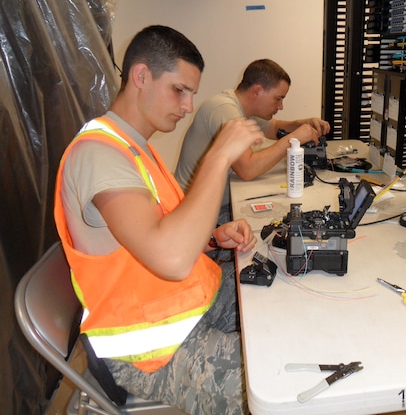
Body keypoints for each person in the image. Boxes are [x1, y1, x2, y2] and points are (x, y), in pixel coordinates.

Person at [54, 25, 264, 414]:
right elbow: (170, 258)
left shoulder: (134, 147)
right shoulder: (98, 154)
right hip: (149, 346)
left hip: (182, 304)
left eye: (192, 94)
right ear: (141, 76)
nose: (187, 106)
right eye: (179, 90)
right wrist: (218, 156)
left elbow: (162, 231)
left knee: (278, 304)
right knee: (274, 387)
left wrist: (215, 236)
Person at [174, 58, 331, 223]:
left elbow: (274, 127)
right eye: (278, 98)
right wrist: (294, 138)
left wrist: (302, 124)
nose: (280, 106)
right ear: (257, 91)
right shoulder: (224, 109)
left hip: (211, 205)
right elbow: (247, 169)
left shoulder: (240, 108)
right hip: (195, 215)